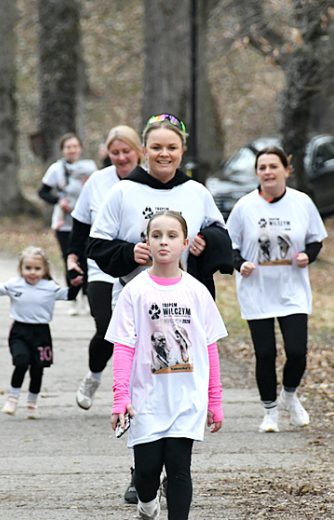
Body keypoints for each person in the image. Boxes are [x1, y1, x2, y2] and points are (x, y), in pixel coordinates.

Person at [87, 114, 230, 504]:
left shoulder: (196, 192)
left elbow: (222, 237)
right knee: (144, 388)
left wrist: (204, 242)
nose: (164, 154)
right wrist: (126, 252)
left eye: (171, 147)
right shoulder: (123, 192)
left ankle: (172, 468)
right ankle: (143, 468)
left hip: (184, 300)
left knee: (177, 391)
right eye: (156, 147)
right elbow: (95, 245)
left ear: (182, 151)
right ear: (143, 152)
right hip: (136, 300)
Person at [109, 210, 226, 520]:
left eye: (172, 236)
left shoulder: (197, 291)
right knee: (146, 474)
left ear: (185, 243)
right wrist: (120, 397)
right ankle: (147, 505)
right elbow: (123, 346)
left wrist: (215, 399)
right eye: (156, 235)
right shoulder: (134, 291)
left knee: (179, 469)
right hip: (146, 399)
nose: (163, 242)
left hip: (186, 399)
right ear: (146, 241)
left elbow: (209, 346)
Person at [226, 146, 327, 433]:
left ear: (286, 170)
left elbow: (316, 239)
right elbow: (229, 243)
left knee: (297, 352)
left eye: (273, 166)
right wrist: (240, 263)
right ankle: (270, 412)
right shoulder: (245, 206)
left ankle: (289, 396)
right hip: (256, 290)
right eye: (262, 167)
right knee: (266, 354)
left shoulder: (302, 202)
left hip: (291, 289)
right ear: (257, 173)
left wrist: (309, 255)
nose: (268, 172)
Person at [66, 125, 143, 412]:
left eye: (126, 152)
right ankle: (94, 376)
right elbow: (81, 225)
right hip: (101, 268)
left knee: (140, 332)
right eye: (115, 153)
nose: (121, 158)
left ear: (139, 152)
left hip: (140, 269)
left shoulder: (149, 183)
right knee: (108, 327)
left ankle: (135, 390)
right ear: (107, 154)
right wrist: (72, 257)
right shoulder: (97, 181)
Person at [0, 246, 81, 418]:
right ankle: (12, 399)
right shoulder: (14, 284)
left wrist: (76, 284)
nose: (32, 273)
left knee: (37, 369)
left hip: (41, 333)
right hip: (19, 331)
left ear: (44, 270)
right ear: (21, 268)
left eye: (37, 269)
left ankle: (32, 402)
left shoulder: (50, 287)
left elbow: (70, 296)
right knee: (21, 362)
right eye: (28, 268)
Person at [38, 133, 97, 315]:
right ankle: (72, 298)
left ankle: (86, 298)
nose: (72, 150)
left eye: (75, 146)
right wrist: (58, 200)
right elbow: (43, 192)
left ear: (80, 148)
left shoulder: (90, 167)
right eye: (68, 147)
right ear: (63, 150)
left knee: (87, 259)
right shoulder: (56, 169)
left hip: (87, 221)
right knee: (69, 259)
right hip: (65, 222)